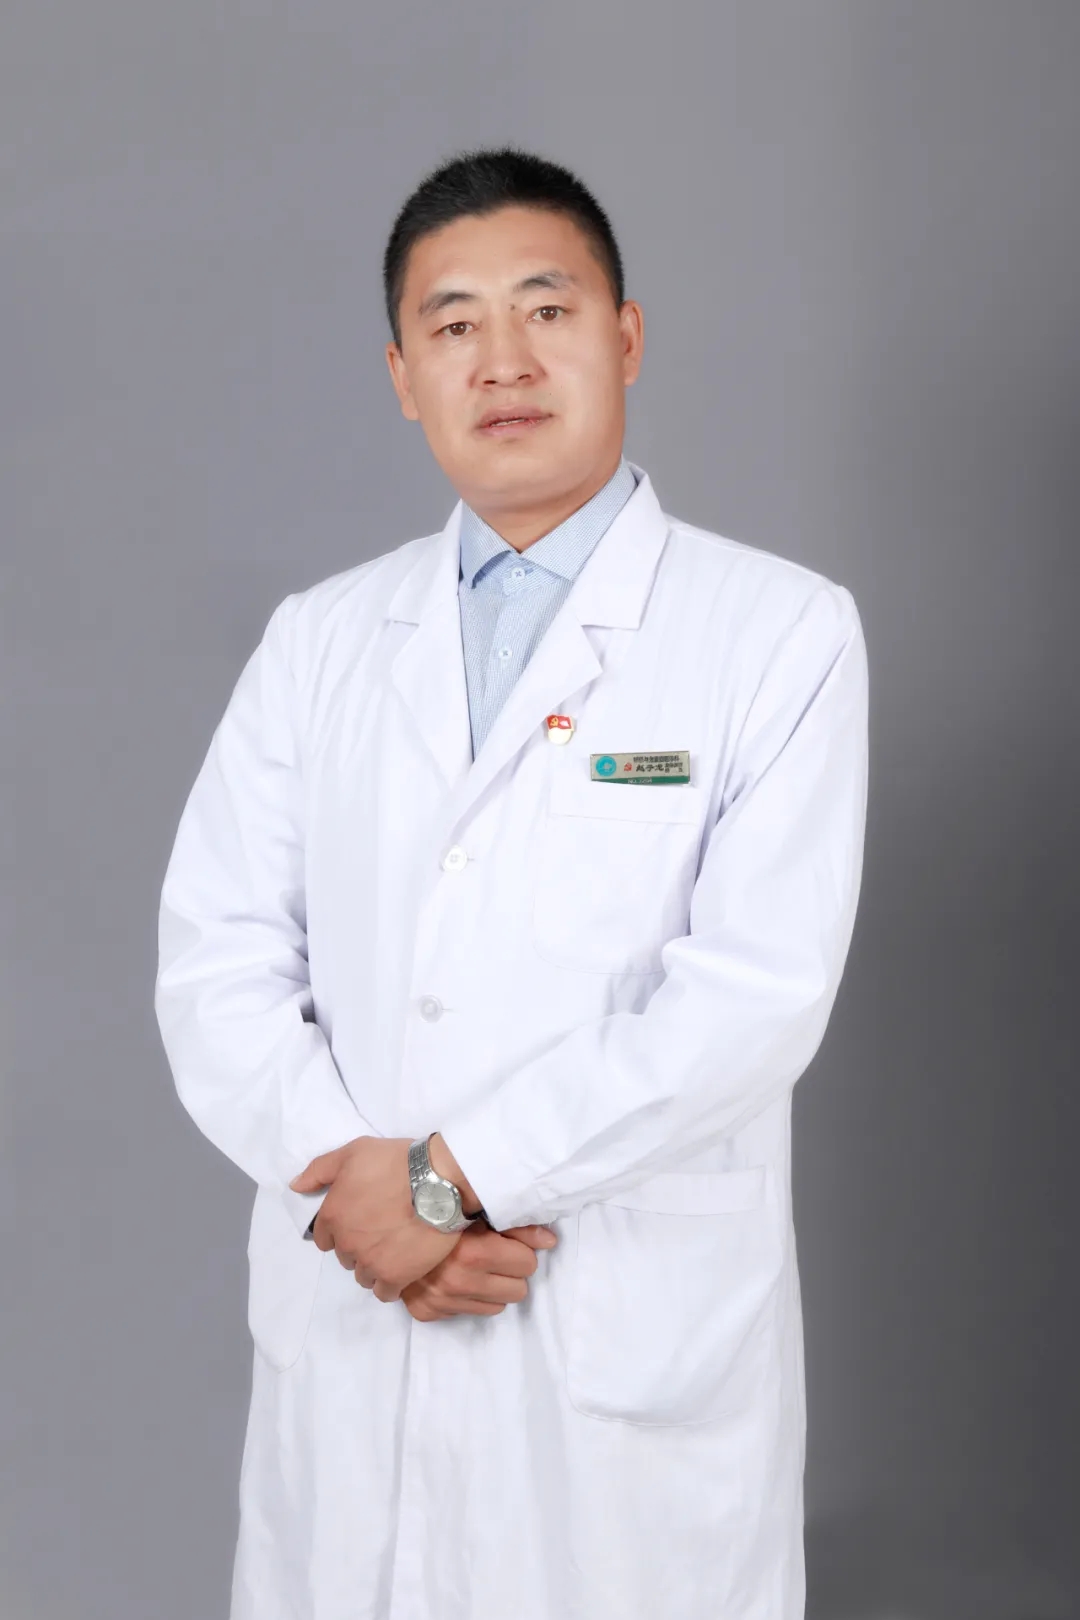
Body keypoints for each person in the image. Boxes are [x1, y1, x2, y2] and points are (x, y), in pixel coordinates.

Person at [154, 145, 869, 1620]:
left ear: (627, 335)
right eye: (454, 323)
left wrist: (449, 1180)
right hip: (358, 1304)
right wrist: (355, 1190)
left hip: (617, 1334)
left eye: (547, 309)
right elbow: (217, 959)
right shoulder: (320, 638)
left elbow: (754, 997)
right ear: (402, 376)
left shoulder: (778, 631)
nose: (504, 361)